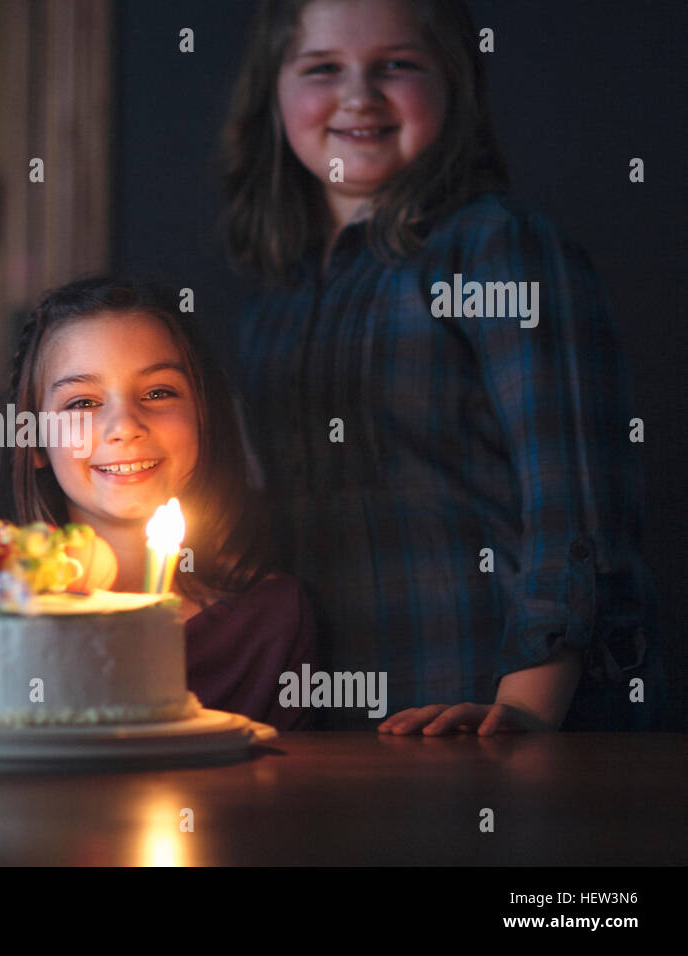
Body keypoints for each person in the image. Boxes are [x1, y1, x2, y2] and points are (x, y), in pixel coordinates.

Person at [222, 0, 662, 732]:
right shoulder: (271, 304)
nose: (359, 94)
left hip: (501, 723)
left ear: (453, 82)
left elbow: (578, 506)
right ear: (273, 92)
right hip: (335, 741)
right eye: (322, 69)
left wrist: (523, 713)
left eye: (397, 65)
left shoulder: (501, 248)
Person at [0, 276, 316, 729]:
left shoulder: (272, 618)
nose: (124, 425)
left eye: (158, 393)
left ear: (204, 415)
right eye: (82, 401)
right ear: (35, 443)